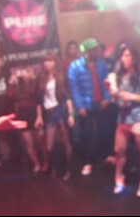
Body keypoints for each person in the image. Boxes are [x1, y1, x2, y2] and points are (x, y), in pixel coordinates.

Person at [107, 44, 140, 197]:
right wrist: (112, 93)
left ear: (134, 57)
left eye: (128, 55)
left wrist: (132, 96)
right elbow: (116, 98)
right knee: (118, 149)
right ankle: (119, 176)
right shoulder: (118, 75)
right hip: (123, 117)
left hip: (139, 117)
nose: (124, 59)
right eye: (122, 56)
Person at [67, 38, 111, 176]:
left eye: (97, 49)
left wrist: (107, 98)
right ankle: (89, 161)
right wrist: (80, 106)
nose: (97, 51)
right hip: (86, 104)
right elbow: (74, 89)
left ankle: (105, 156)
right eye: (94, 49)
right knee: (88, 134)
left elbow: (107, 83)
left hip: (101, 102)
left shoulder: (101, 64)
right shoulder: (75, 66)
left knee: (104, 130)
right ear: (87, 51)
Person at [35, 52, 74, 180]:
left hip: (59, 109)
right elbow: (38, 100)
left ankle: (68, 169)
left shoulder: (61, 76)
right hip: (48, 112)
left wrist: (71, 114)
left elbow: (67, 96)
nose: (47, 64)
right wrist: (39, 116)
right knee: (49, 145)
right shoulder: (41, 78)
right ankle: (55, 168)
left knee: (65, 140)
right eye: (45, 61)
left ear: (55, 62)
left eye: (50, 60)